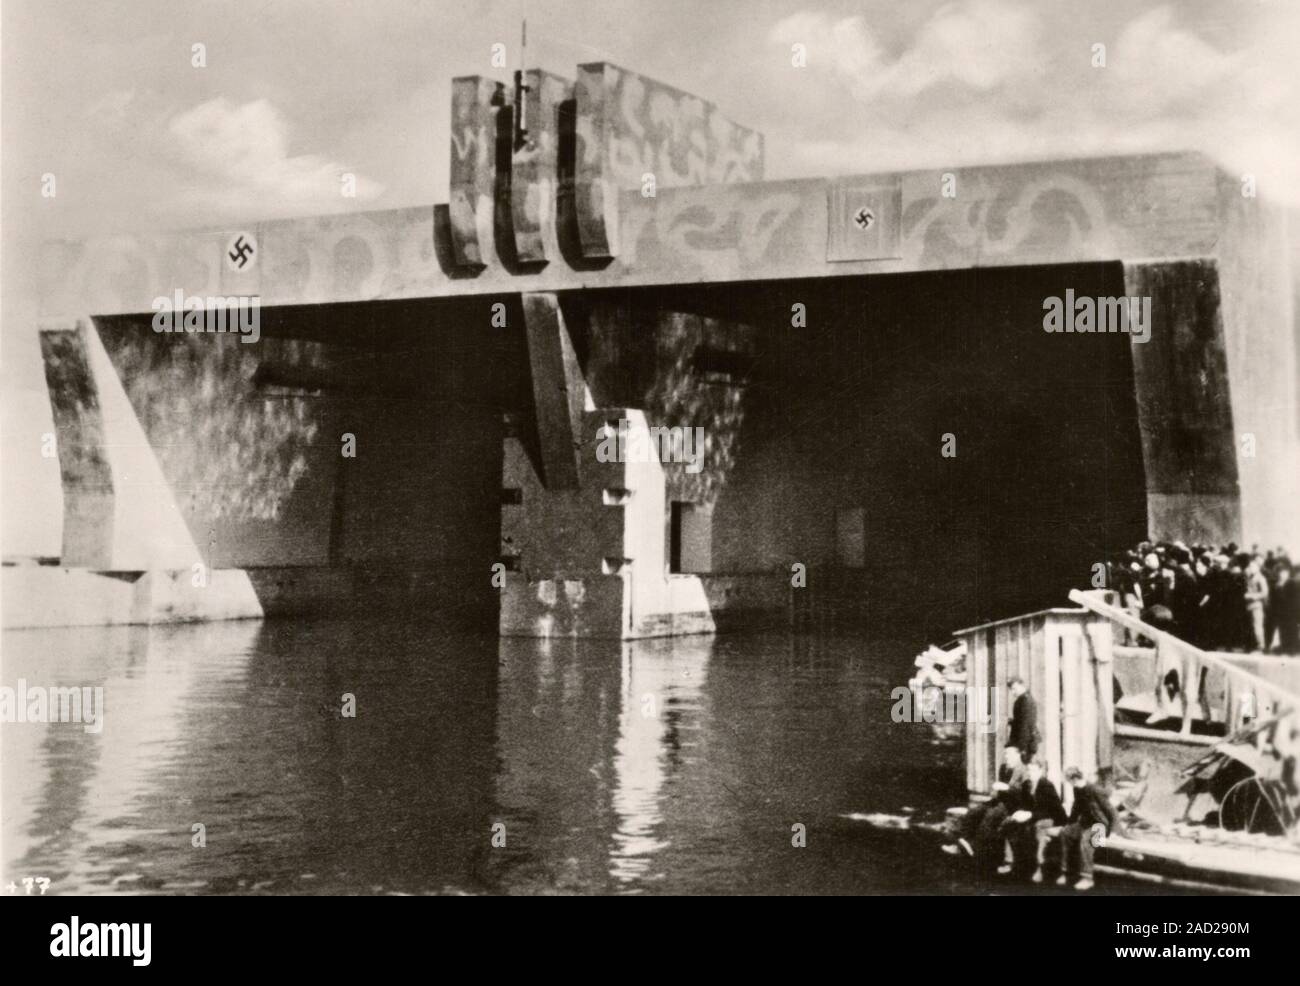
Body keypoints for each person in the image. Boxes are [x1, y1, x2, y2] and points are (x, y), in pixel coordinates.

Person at [1056, 767, 1123, 891]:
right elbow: (1077, 807)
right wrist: (1069, 823)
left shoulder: (1094, 790)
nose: (1068, 784)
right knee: (1065, 833)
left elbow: (1112, 811)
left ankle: (1088, 878)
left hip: (1101, 826)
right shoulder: (1077, 788)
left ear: (1074, 779)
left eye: (1068, 781)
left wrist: (1114, 831)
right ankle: (1066, 872)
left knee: (1086, 841)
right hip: (1086, 823)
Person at [1002, 758, 1066, 882]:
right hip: (1033, 817)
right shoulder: (1027, 785)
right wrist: (1020, 812)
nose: (1031, 773)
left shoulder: (1047, 785)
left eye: (1034, 770)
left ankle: (1040, 868)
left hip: (1051, 819)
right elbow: (1024, 804)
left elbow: (1053, 810)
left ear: (1041, 771)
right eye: (1029, 770)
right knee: (1010, 824)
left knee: (1039, 829)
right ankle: (1010, 861)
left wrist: (1030, 814)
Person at [1007, 678, 1039, 761]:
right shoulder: (1022, 700)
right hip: (1023, 741)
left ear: (1022, 685)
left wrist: (1022, 747)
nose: (1013, 692)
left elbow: (1026, 725)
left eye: (1014, 689)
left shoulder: (1026, 701)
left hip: (1025, 742)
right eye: (1011, 690)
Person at [1244, 557, 1270, 653]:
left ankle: (1261, 647)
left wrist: (1251, 596)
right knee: (1253, 627)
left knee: (1257, 627)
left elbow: (1265, 593)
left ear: (1258, 567)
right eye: (1250, 566)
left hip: (1257, 605)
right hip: (1250, 605)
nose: (1251, 568)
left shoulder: (1261, 578)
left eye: (1253, 566)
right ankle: (1256, 646)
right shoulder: (1250, 577)